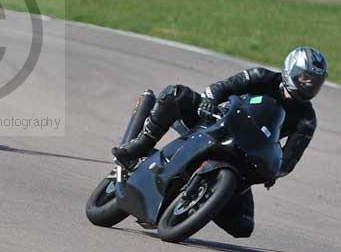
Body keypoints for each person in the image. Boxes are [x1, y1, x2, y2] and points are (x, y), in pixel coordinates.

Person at [112, 46, 328, 237]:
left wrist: (274, 171)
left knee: (243, 227)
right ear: (291, 70)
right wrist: (209, 102)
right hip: (215, 123)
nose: (309, 85)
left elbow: (289, 159)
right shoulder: (261, 76)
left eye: (315, 82)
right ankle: (141, 144)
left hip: (244, 154)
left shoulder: (307, 120)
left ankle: (203, 199)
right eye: (305, 77)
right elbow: (220, 88)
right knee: (176, 94)